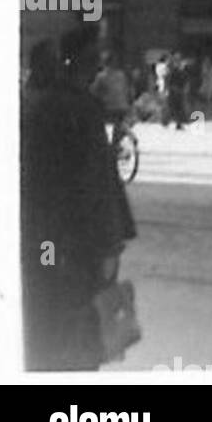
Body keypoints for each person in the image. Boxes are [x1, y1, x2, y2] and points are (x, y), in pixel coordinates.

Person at [22, 32, 137, 370]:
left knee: (44, 318)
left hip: (42, 241)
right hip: (74, 245)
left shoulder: (29, 106)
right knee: (79, 323)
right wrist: (110, 246)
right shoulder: (79, 108)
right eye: (92, 59)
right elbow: (98, 185)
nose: (96, 67)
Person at [90, 51, 132, 152]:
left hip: (109, 108)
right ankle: (117, 144)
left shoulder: (101, 76)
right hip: (123, 106)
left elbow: (93, 91)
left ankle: (107, 146)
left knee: (98, 123)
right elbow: (127, 90)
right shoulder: (121, 75)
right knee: (118, 125)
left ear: (103, 63)